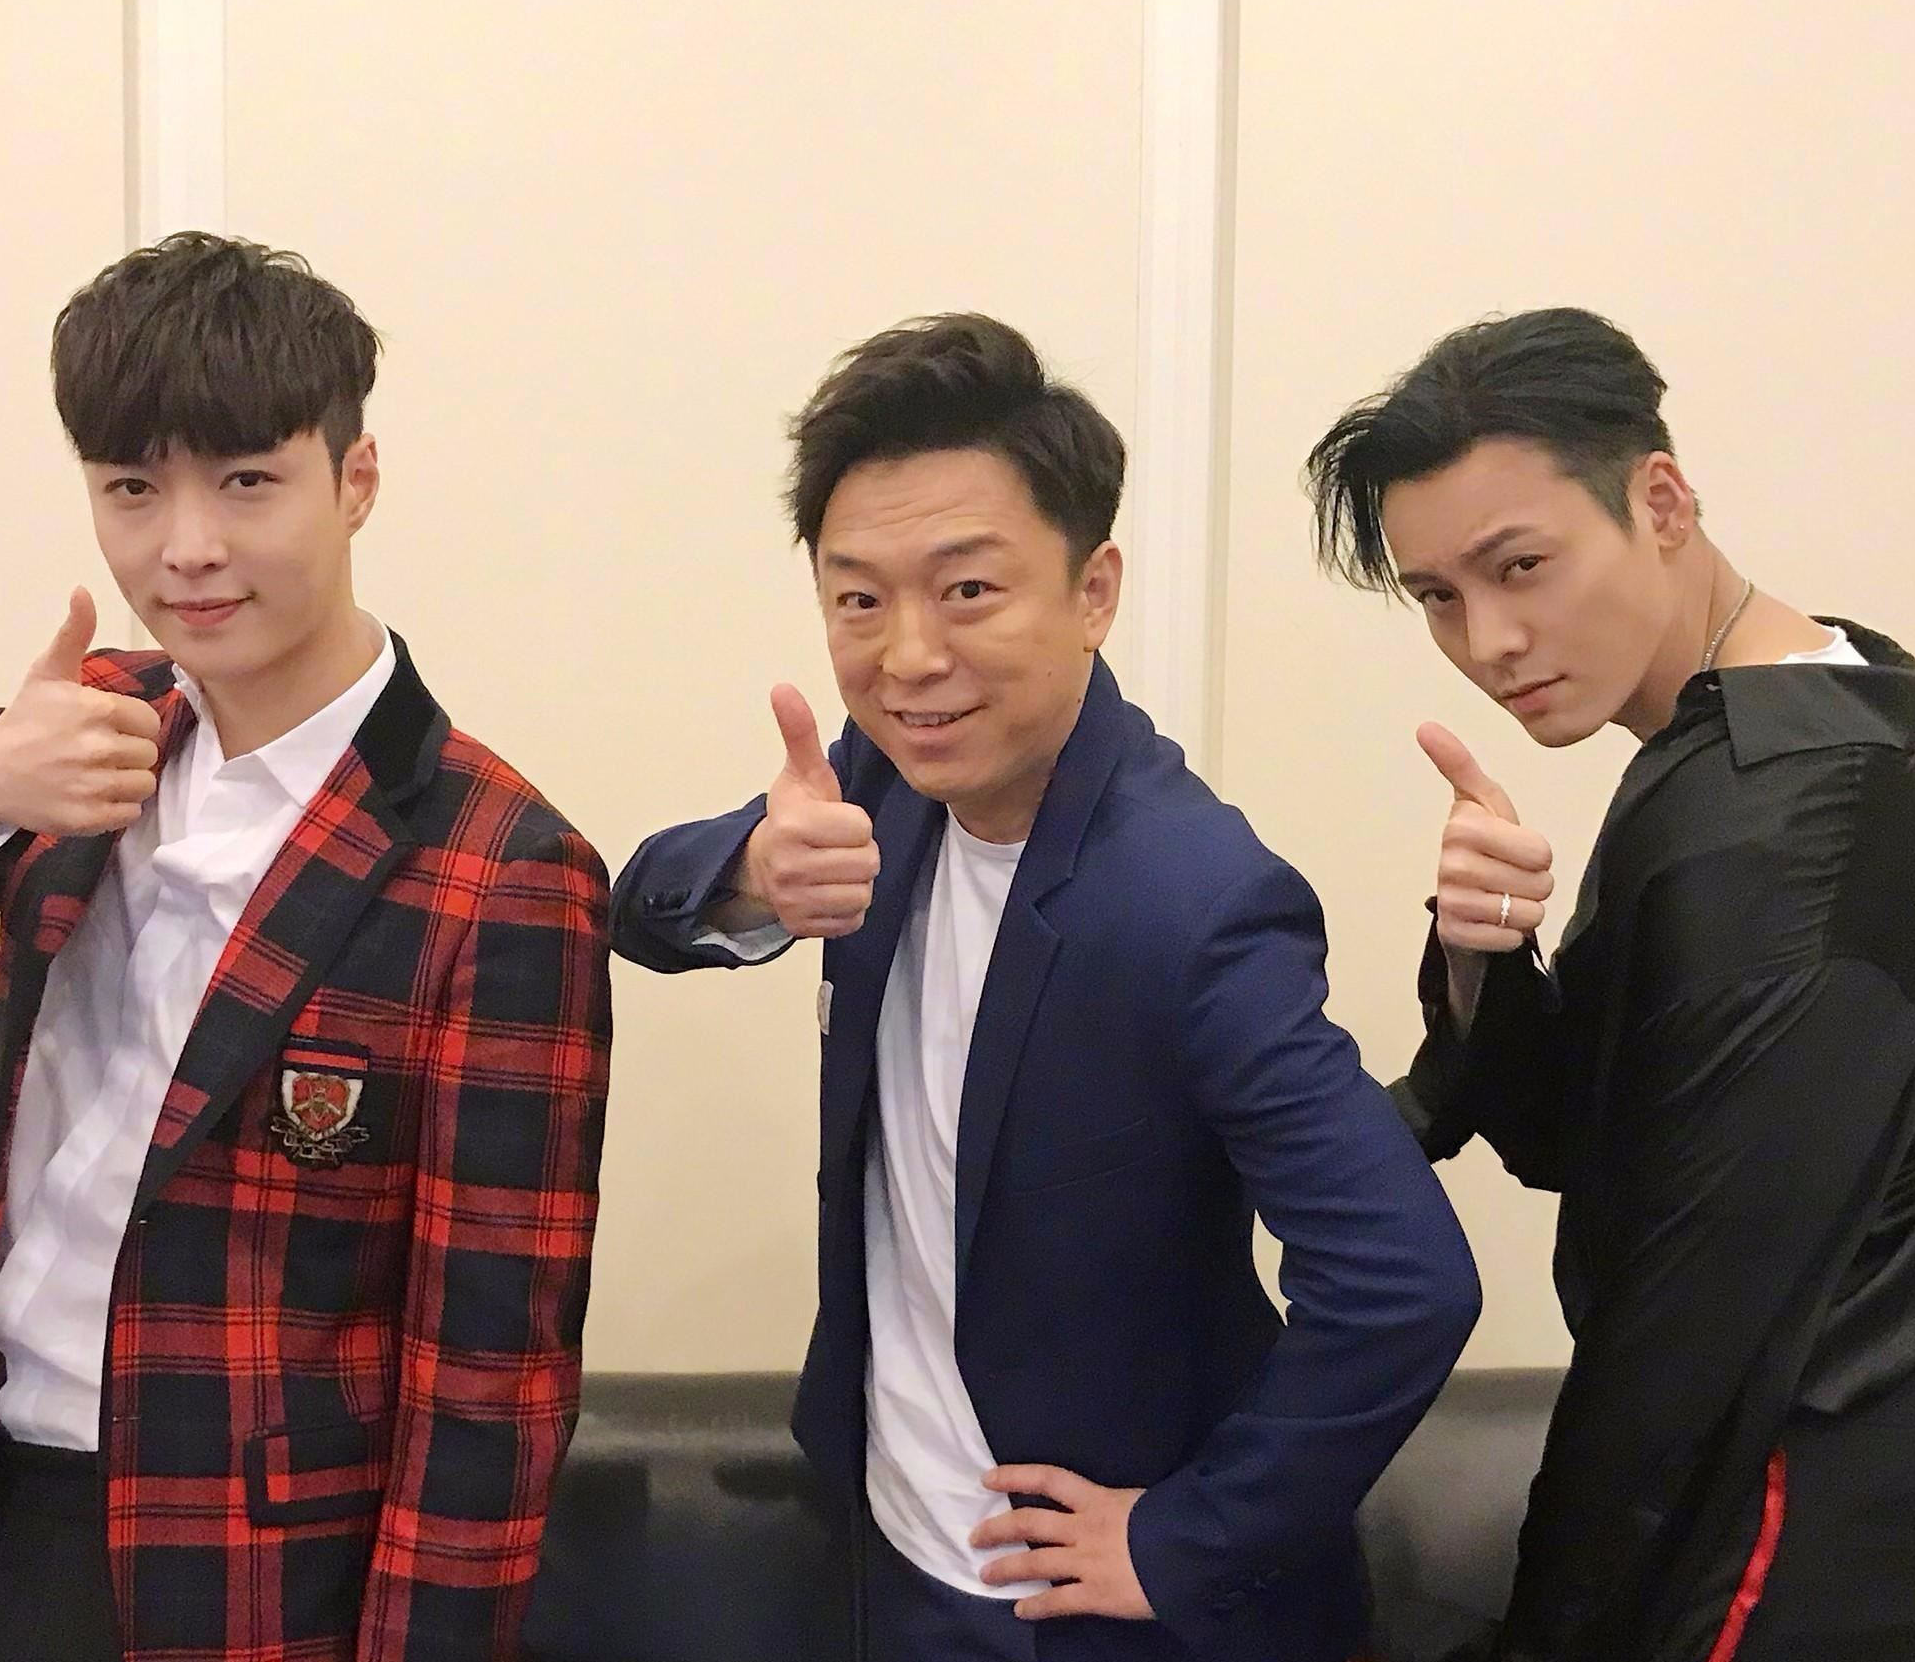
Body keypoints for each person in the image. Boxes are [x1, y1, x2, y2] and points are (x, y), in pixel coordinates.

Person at [0, 233, 613, 1662]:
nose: (187, 547)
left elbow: (492, 1381)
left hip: (272, 1576)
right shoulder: (92, 733)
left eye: (248, 482)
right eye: (132, 489)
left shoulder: (500, 864)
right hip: (15, 1504)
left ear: (356, 479)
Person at [611, 313, 1481, 1662]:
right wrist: (750, 878)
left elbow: (1404, 1280)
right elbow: (640, 909)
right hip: (890, 1549)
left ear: (1094, 590)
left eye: (967, 590)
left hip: (1090, 1621)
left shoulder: (1192, 898)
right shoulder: (882, 780)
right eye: (859, 598)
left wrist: (1189, 1537)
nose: (908, 656)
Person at [1303, 306, 1915, 1661]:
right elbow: (1591, 1139)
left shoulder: (1781, 818)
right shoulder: (1773, 738)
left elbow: (1685, 1333)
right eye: (1441, 598)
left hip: (1806, 1525)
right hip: (1825, 1499)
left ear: (1661, 501)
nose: (1491, 639)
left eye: (1521, 566)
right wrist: (1483, 955)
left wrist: (1547, 1638)